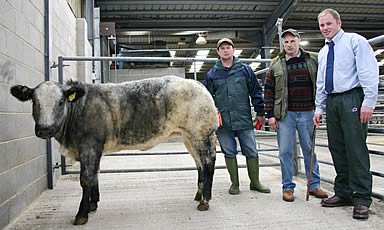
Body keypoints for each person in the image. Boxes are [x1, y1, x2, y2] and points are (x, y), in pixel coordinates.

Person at [314, 9, 379, 220]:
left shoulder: (355, 41)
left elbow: (368, 71)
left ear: (338, 22)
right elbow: (321, 82)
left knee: (356, 149)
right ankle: (343, 192)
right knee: (337, 148)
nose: (325, 28)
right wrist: (319, 107)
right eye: (322, 25)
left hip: (352, 97)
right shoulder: (323, 52)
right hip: (333, 101)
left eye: (328, 24)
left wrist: (369, 102)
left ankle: (361, 198)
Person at [264, 29, 328, 202]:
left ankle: (314, 185)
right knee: (285, 151)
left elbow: (321, 83)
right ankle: (287, 187)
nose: (289, 45)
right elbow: (268, 91)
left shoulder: (312, 59)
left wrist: (320, 108)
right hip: (285, 115)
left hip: (308, 112)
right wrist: (270, 114)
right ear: (283, 44)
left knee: (310, 149)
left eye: (292, 41)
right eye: (286, 42)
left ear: (299, 41)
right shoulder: (276, 63)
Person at [203, 38, 270, 195]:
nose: (225, 50)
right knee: (229, 151)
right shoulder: (212, 74)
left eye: (228, 47)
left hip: (244, 118)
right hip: (223, 121)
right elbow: (206, 97)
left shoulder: (245, 70)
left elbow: (255, 92)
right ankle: (235, 183)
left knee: (251, 150)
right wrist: (210, 118)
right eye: (222, 48)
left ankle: (255, 182)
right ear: (218, 52)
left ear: (233, 50)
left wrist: (260, 112)